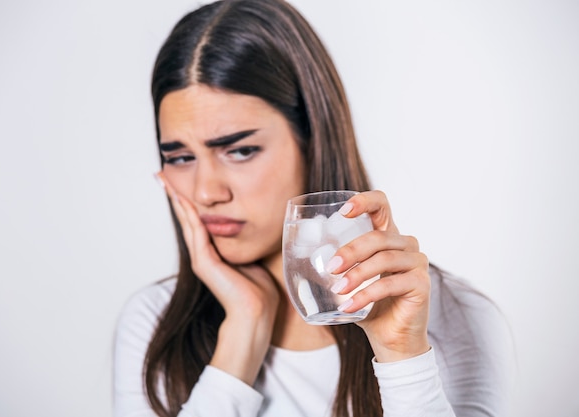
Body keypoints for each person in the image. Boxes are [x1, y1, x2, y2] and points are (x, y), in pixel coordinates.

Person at [113, 0, 514, 416]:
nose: (207, 191)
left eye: (241, 150)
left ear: (312, 139)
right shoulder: (154, 325)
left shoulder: (457, 320)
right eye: (179, 157)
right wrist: (240, 340)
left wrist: (402, 357)